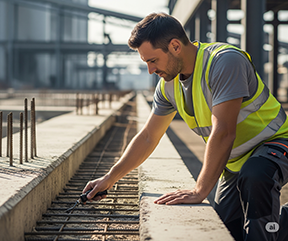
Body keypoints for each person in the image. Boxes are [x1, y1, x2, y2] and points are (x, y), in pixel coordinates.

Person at [83, 12, 288, 241]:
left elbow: (224, 132)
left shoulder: (224, 61)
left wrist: (199, 190)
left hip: (276, 143)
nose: (151, 70)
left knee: (256, 179)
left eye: (153, 60)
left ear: (175, 46)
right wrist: (109, 178)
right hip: (236, 162)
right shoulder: (168, 86)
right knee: (225, 230)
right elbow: (149, 137)